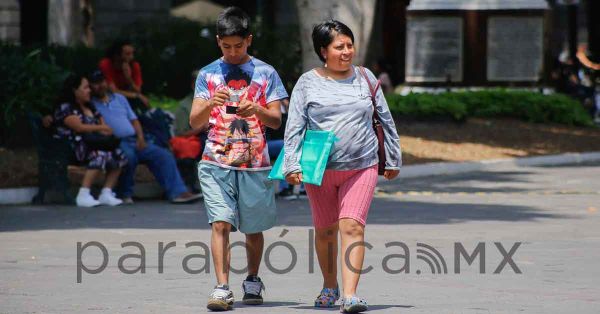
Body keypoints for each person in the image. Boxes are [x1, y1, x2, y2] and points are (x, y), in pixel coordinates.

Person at [282, 20, 402, 313]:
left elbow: (385, 119)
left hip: (362, 165)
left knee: (352, 227)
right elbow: (294, 126)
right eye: (339, 46)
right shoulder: (307, 82)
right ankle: (329, 285)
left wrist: (393, 158)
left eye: (350, 45)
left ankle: (350, 295)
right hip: (318, 168)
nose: (347, 51)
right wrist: (291, 164)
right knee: (325, 231)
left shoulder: (365, 77)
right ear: (324, 51)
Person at [189, 7, 288, 311]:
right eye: (226, 46)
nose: (232, 52)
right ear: (218, 41)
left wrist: (256, 109)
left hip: (254, 161)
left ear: (249, 40)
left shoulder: (266, 73)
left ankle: (253, 279)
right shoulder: (207, 74)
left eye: (239, 46)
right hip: (215, 160)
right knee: (220, 222)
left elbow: (276, 121)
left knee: (252, 228)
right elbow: (195, 122)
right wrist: (211, 104)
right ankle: (221, 287)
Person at [88, 70, 202, 204]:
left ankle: (178, 192)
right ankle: (124, 193)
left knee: (162, 155)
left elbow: (134, 120)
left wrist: (141, 137)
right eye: (95, 83)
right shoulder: (91, 104)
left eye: (102, 82)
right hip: (114, 141)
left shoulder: (119, 98)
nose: (100, 86)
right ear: (90, 86)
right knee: (129, 156)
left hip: (135, 138)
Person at [53, 74, 127, 207]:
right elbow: (79, 127)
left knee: (119, 154)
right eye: (86, 87)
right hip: (72, 147)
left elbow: (103, 127)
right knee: (100, 154)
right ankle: (83, 194)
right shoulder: (66, 107)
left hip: (91, 144)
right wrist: (101, 127)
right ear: (75, 90)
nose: (89, 90)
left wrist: (105, 131)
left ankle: (106, 192)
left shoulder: (90, 106)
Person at [99, 40, 149, 109]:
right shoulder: (106, 64)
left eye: (132, 54)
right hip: (110, 97)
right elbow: (113, 91)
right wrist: (136, 95)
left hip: (128, 95)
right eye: (127, 54)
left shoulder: (134, 65)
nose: (131, 57)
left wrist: (129, 79)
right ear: (116, 56)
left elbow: (138, 90)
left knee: (143, 102)